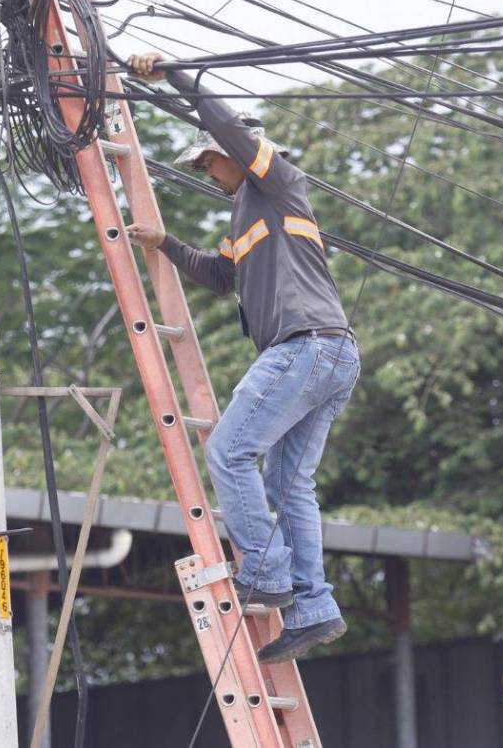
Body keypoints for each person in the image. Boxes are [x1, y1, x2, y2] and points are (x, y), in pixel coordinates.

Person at [124, 52, 360, 664]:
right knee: (289, 482)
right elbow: (221, 276)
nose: (207, 171)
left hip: (305, 347)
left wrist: (174, 75)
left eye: (209, 160)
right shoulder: (248, 213)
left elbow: (227, 124)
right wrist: (165, 244)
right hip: (329, 354)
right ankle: (314, 609)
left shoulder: (278, 181)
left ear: (238, 151)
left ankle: (265, 570)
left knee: (228, 450)